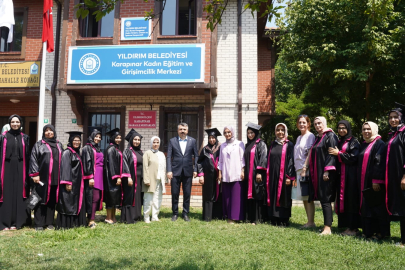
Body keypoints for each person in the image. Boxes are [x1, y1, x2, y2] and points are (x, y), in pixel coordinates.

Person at [357, 122, 389, 240]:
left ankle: (381, 233)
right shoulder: (364, 144)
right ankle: (368, 232)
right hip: (364, 181)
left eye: (368, 129)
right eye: (364, 129)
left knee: (377, 208)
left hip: (374, 183)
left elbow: (379, 162)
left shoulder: (379, 143)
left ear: (374, 130)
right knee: (367, 207)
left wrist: (376, 180)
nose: (366, 131)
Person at [328, 120, 360, 236]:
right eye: (339, 128)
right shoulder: (339, 141)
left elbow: (353, 158)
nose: (341, 130)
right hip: (341, 176)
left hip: (351, 176)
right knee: (343, 201)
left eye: (343, 128)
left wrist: (339, 154)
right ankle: (346, 226)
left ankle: (353, 228)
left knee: (351, 201)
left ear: (348, 128)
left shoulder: (353, 141)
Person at [307, 116, 338, 235]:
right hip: (318, 172)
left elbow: (331, 154)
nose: (317, 125)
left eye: (320, 123)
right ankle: (326, 225)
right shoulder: (319, 138)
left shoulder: (330, 136)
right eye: (315, 124)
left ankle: (328, 228)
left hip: (326, 173)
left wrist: (327, 171)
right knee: (323, 199)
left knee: (326, 199)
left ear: (325, 123)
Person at [29, 124, 63, 231]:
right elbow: (33, 159)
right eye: (46, 131)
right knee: (40, 200)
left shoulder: (59, 144)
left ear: (54, 132)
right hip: (42, 178)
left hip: (56, 178)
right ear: (44, 132)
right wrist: (35, 174)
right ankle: (39, 223)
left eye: (51, 130)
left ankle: (49, 222)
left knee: (52, 201)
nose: (49, 132)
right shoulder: (39, 145)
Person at [0, 115, 30, 231]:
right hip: (6, 167)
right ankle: (4, 222)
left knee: (18, 192)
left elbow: (27, 155)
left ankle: (17, 222)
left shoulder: (25, 137)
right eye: (13, 122)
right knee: (6, 192)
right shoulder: (3, 137)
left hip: (21, 167)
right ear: (9, 123)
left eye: (17, 122)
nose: (15, 124)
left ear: (21, 123)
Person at [167, 123, 199, 222]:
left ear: (187, 131)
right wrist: (169, 170)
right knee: (175, 193)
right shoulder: (172, 141)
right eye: (181, 129)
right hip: (175, 171)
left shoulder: (192, 141)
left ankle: (185, 213)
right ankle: (175, 213)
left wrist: (195, 169)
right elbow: (169, 156)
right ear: (178, 131)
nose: (182, 131)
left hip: (188, 171)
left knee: (187, 193)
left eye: (184, 129)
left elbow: (196, 156)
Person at [56, 131, 86, 229]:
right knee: (68, 203)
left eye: (78, 140)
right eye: (75, 140)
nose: (77, 142)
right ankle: (66, 224)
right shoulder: (67, 152)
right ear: (71, 141)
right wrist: (67, 182)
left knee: (74, 202)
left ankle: (75, 223)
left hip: (76, 183)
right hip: (70, 183)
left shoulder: (76, 152)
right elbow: (65, 168)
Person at [267, 123, 295, 226]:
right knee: (274, 194)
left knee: (284, 196)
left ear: (285, 131)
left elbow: (291, 160)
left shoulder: (289, 145)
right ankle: (274, 218)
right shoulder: (272, 144)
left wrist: (289, 176)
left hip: (284, 176)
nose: (280, 132)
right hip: (273, 175)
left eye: (282, 130)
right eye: (278, 130)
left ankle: (283, 219)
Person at [385, 104, 405, 246]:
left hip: (402, 176)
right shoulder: (393, 134)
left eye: (395, 117)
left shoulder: (404, 133)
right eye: (390, 118)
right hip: (394, 176)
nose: (393, 120)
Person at [292, 115, 316, 228]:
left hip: (305, 169)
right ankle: (309, 222)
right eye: (300, 122)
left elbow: (310, 152)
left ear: (308, 124)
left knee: (308, 196)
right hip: (299, 169)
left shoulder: (310, 136)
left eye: (304, 122)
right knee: (304, 197)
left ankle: (311, 222)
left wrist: (305, 167)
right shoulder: (299, 138)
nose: (302, 124)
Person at [218, 126, 245, 224]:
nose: (227, 134)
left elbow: (242, 159)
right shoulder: (222, 146)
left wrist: (243, 171)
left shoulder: (239, 144)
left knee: (236, 196)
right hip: (225, 174)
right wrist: (220, 173)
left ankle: (235, 217)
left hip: (236, 173)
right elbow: (220, 161)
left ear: (232, 132)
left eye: (229, 132)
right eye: (225, 132)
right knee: (227, 196)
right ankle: (228, 216)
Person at [103, 128, 129, 224]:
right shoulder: (111, 149)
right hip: (111, 178)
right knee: (110, 198)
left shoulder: (116, 148)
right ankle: (108, 218)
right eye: (117, 137)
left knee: (114, 199)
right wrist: (116, 176)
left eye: (120, 138)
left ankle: (113, 217)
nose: (119, 139)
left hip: (115, 178)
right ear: (113, 138)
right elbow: (112, 165)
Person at [244, 122, 268, 224]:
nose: (250, 135)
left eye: (252, 133)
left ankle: (257, 219)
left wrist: (259, 172)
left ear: (256, 133)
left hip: (256, 174)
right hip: (248, 174)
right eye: (248, 133)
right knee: (249, 195)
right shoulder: (247, 145)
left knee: (257, 194)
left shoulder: (261, 144)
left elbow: (264, 158)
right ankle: (249, 217)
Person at [197, 128, 223, 222]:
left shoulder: (221, 148)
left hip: (219, 176)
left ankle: (217, 216)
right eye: (210, 138)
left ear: (216, 138)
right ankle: (207, 216)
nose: (211, 140)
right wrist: (201, 175)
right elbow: (199, 162)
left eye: (213, 138)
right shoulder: (205, 149)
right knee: (208, 195)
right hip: (208, 177)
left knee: (219, 194)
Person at [82, 129, 103, 228]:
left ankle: (91, 217)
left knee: (96, 198)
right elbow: (87, 162)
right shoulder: (87, 148)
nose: (98, 138)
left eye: (99, 137)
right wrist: (90, 177)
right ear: (91, 136)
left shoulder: (97, 148)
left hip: (99, 175)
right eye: (96, 136)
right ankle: (91, 220)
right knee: (94, 198)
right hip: (93, 175)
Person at [122, 129, 144, 224]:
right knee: (130, 196)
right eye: (135, 139)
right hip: (131, 178)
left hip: (139, 179)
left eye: (138, 140)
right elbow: (125, 164)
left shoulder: (140, 151)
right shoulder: (127, 151)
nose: (137, 141)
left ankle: (137, 215)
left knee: (138, 196)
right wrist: (128, 177)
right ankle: (129, 217)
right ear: (131, 140)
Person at [143, 136, 166, 223]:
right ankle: (146, 217)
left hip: (160, 180)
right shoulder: (147, 153)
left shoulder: (161, 154)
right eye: (154, 142)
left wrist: (165, 180)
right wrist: (146, 180)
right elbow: (145, 167)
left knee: (157, 198)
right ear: (151, 143)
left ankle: (155, 216)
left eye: (157, 142)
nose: (156, 144)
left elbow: (164, 167)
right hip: (150, 180)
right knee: (148, 199)